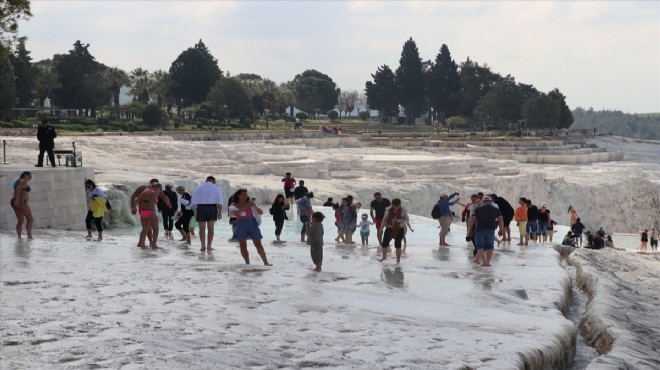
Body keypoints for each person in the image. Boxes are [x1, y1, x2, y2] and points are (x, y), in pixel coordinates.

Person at [229, 189, 272, 266]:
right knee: (242, 245)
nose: (245, 196)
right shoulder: (234, 205)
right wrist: (247, 206)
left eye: (246, 194)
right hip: (241, 224)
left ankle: (266, 262)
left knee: (258, 244)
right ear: (238, 196)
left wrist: (254, 206)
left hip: (252, 224)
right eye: (243, 195)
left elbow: (261, 212)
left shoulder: (251, 203)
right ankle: (247, 263)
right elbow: (236, 213)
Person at [468, 196, 504, 267]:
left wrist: (469, 230)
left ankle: (484, 262)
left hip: (479, 230)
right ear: (491, 202)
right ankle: (488, 262)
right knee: (490, 247)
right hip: (491, 230)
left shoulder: (477, 209)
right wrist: (501, 230)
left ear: (483, 201)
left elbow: (472, 220)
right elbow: (501, 220)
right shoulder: (496, 209)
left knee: (480, 246)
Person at [191, 176, 224, 252]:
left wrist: (195, 211)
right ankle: (209, 246)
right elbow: (220, 202)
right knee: (211, 228)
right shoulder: (216, 188)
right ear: (213, 181)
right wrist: (220, 213)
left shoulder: (199, 188)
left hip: (201, 208)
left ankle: (203, 246)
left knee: (201, 229)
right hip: (212, 208)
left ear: (206, 180)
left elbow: (193, 201)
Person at [136, 182, 171, 248]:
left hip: (143, 212)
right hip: (150, 212)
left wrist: (136, 208)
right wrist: (169, 205)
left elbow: (137, 201)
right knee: (155, 229)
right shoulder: (155, 192)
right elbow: (165, 198)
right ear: (157, 187)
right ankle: (154, 245)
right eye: (160, 188)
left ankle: (141, 244)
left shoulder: (145, 191)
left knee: (145, 229)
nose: (160, 189)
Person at [378, 198, 409, 264]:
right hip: (389, 227)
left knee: (398, 244)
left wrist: (401, 221)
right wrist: (381, 229)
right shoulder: (388, 210)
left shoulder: (403, 210)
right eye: (395, 206)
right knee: (384, 243)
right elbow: (384, 219)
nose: (396, 208)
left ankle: (398, 260)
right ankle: (384, 257)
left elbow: (407, 220)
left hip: (399, 228)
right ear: (392, 205)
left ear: (400, 205)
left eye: (398, 206)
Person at [10, 171, 33, 239]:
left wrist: (16, 200)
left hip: (14, 202)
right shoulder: (23, 181)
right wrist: (17, 200)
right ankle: (29, 237)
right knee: (30, 219)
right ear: (25, 175)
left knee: (21, 220)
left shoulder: (18, 180)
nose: (30, 178)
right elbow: (18, 189)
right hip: (21, 202)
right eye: (30, 176)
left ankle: (19, 238)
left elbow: (18, 189)